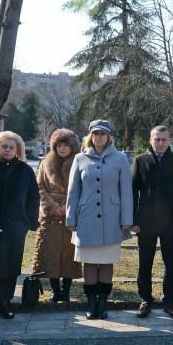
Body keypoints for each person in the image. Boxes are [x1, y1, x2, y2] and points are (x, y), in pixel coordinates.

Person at [66, 120, 133, 320]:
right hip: (86, 219)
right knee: (89, 263)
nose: (99, 137)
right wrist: (71, 217)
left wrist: (126, 218)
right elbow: (73, 191)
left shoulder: (120, 158)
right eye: (95, 133)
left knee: (106, 263)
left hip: (112, 219)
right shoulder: (79, 158)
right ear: (90, 136)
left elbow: (126, 192)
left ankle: (102, 304)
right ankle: (91, 304)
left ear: (109, 136)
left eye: (103, 134)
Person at [132, 125, 173, 318]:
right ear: (150, 139)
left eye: (164, 140)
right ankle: (145, 300)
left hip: (171, 223)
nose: (160, 143)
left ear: (169, 140)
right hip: (145, 222)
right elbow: (132, 192)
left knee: (170, 264)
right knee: (145, 263)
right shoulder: (140, 161)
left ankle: (169, 301)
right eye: (156, 139)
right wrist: (133, 220)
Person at [0, 131, 40, 319]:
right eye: (4, 146)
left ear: (18, 149)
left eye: (11, 147)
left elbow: (33, 198)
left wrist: (29, 222)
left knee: (9, 266)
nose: (8, 149)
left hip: (14, 227)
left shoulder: (25, 171)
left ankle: (4, 302)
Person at [32, 129, 82, 302]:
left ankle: (66, 291)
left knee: (69, 254)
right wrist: (53, 207)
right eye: (59, 145)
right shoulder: (46, 161)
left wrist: (67, 206)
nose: (62, 148)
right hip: (50, 215)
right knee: (50, 253)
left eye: (66, 145)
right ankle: (55, 291)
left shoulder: (79, 161)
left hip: (71, 214)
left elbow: (82, 187)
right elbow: (39, 186)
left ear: (72, 147)